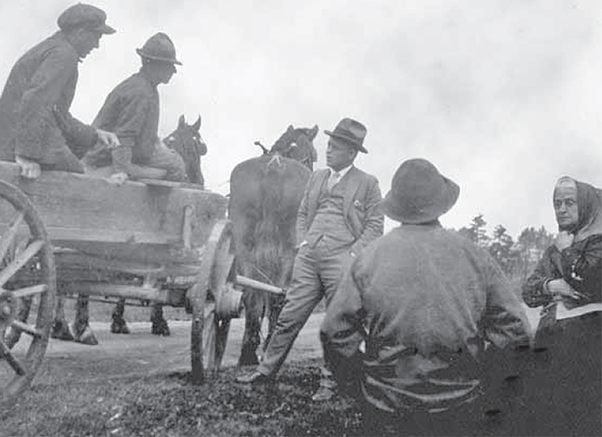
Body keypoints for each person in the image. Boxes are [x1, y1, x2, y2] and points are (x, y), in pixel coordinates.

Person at [319, 158, 532, 436]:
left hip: (386, 410)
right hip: (462, 410)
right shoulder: (474, 257)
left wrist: (362, 385)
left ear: (396, 207)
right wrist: (484, 384)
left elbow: (335, 333)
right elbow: (517, 334)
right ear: (440, 204)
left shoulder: (369, 258)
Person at [236, 117, 384, 402]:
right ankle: (265, 372)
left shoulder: (367, 183)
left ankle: (330, 382)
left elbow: (375, 225)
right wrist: (302, 242)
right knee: (289, 316)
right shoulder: (316, 177)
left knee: (336, 322)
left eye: (336, 148)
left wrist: (353, 254)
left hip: (341, 258)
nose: (328, 151)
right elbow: (303, 213)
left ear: (352, 154)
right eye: (328, 145)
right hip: (309, 256)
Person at [0, 3, 120, 179]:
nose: (96, 45)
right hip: (19, 139)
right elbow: (36, 100)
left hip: (13, 135)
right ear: (80, 32)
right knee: (79, 182)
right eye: (96, 37)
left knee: (76, 167)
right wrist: (26, 156)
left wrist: (95, 134)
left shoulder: (56, 48)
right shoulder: (63, 54)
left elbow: (58, 114)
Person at [519, 176, 601, 436]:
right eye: (557, 204)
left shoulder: (598, 242)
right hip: (552, 348)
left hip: (588, 349)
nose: (561, 210)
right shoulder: (556, 247)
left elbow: (589, 280)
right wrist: (553, 286)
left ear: (586, 205)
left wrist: (568, 252)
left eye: (569, 202)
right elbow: (529, 292)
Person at [82, 32, 187, 183]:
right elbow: (124, 135)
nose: (173, 71)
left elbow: (143, 131)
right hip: (106, 158)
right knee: (176, 167)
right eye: (169, 65)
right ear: (155, 65)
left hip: (127, 154)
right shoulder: (140, 92)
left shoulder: (146, 86)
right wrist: (121, 171)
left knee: (175, 161)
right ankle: (125, 178)